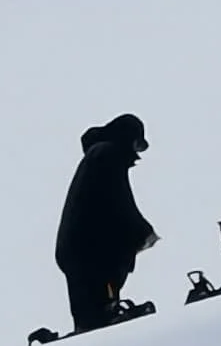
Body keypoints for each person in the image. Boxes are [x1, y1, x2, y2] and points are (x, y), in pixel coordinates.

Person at [54, 114, 158, 332]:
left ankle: (90, 331)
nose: (137, 154)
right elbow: (118, 201)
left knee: (89, 316)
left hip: (79, 251)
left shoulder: (98, 156)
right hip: (91, 253)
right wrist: (142, 232)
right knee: (98, 314)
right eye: (138, 144)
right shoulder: (108, 155)